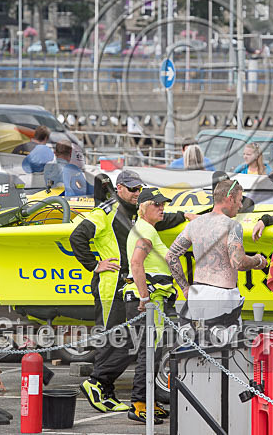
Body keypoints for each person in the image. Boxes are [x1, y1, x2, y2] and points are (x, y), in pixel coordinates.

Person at [70, 170, 193, 413]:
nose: (137, 193)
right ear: (119, 188)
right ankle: (98, 384)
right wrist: (95, 265)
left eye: (139, 189)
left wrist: (185, 215)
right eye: (132, 189)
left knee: (128, 339)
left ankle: (103, 385)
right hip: (111, 283)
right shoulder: (107, 211)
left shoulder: (136, 214)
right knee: (114, 337)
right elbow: (78, 236)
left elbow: (159, 218)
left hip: (127, 284)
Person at [165, 179, 267, 329]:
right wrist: (257, 261)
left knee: (198, 347)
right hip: (222, 297)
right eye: (239, 201)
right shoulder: (232, 225)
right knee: (222, 348)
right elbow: (238, 262)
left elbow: (170, 256)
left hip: (197, 293)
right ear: (230, 199)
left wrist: (185, 287)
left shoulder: (195, 224)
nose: (240, 205)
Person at [123, 188, 176, 424]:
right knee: (148, 353)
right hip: (147, 302)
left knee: (151, 352)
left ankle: (149, 400)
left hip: (151, 300)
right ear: (144, 206)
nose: (162, 208)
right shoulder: (145, 230)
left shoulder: (147, 229)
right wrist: (145, 297)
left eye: (163, 204)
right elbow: (136, 264)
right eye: (157, 204)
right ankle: (139, 404)